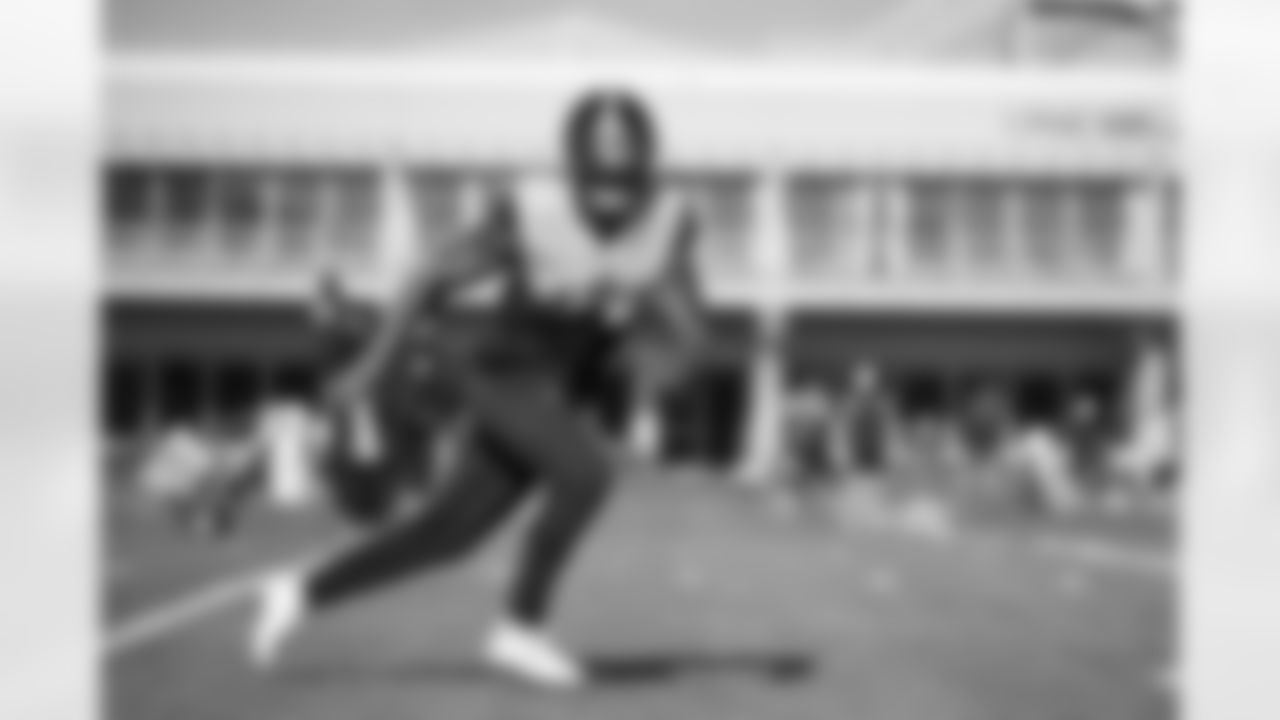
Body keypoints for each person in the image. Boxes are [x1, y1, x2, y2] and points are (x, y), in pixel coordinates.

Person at [246, 86, 708, 690]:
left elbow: (685, 313)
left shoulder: (672, 220)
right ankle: (521, 628)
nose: (613, 150)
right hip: (502, 372)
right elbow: (428, 277)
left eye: (625, 137)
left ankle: (298, 593)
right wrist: (370, 367)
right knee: (586, 475)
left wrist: (668, 355)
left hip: (562, 391)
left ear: (645, 145)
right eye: (600, 138)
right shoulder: (534, 209)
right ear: (579, 147)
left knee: (447, 534)